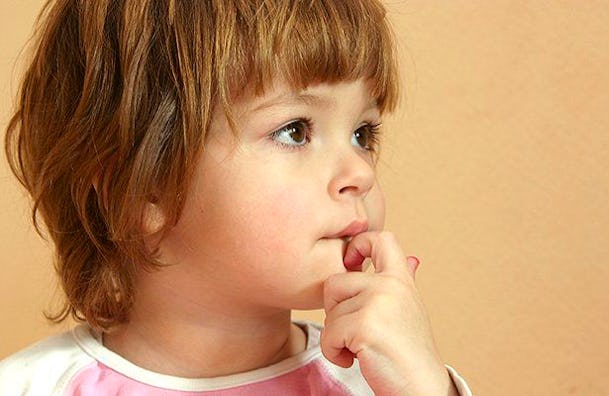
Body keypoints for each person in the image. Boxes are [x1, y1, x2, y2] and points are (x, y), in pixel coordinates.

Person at [0, 0, 472, 395]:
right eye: (295, 130)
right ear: (145, 190)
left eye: (362, 133)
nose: (360, 173)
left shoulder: (383, 382)